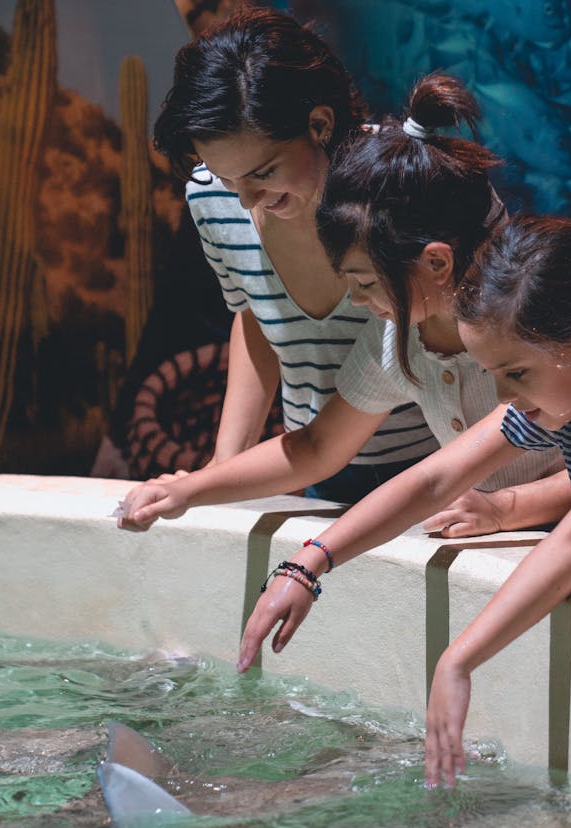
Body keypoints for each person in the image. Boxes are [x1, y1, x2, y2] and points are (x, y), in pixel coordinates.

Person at [238, 214, 571, 788]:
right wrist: (309, 562)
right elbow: (434, 481)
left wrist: (458, 660)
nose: (503, 395)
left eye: (515, 371)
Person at [120, 73, 571, 535]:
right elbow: (318, 446)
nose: (355, 301)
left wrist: (507, 507)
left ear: (437, 261)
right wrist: (194, 487)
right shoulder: (395, 339)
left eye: (366, 281)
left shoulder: (521, 320)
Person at [150, 8, 436, 502]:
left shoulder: (406, 185)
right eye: (224, 175)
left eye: (262, 172)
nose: (243, 200)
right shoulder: (210, 197)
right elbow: (255, 319)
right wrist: (225, 465)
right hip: (307, 463)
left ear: (320, 123)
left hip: (435, 463)